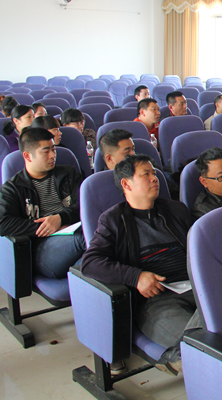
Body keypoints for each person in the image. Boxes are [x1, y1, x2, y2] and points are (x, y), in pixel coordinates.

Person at [81, 155, 200, 375]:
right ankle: (187, 355)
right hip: (158, 300)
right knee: (207, 339)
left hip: (196, 288)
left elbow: (200, 247)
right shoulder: (113, 220)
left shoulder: (176, 210)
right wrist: (135, 276)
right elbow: (90, 263)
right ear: (126, 184)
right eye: (146, 174)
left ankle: (177, 356)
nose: (155, 178)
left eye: (154, 173)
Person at [0, 128, 86, 281]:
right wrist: (46, 227)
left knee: (96, 256)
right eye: (46, 152)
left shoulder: (69, 174)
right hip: (43, 250)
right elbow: (2, 224)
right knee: (89, 237)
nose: (53, 155)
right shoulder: (13, 188)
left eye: (53, 150)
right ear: (27, 156)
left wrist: (60, 218)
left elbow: (84, 206)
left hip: (73, 234)